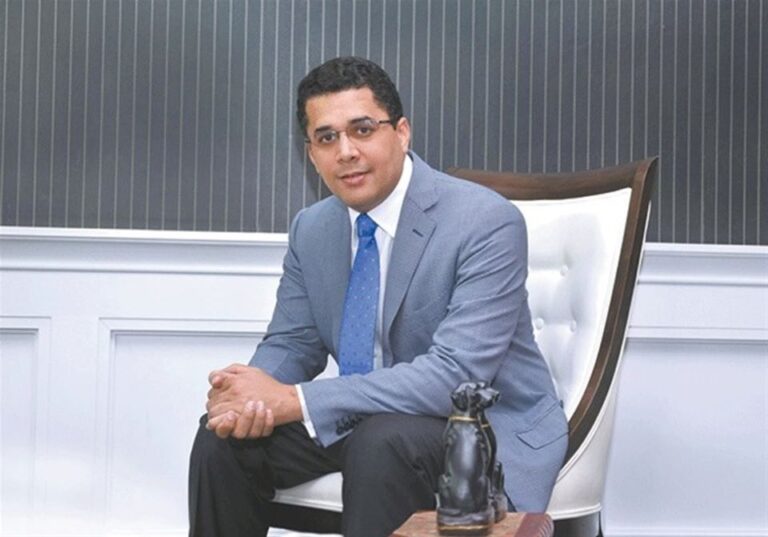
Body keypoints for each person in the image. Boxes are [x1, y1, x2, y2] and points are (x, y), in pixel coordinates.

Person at [188, 56, 567, 537]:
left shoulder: (485, 222)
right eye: (327, 137)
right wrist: (251, 397)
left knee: (381, 442)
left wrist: (296, 400)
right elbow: (293, 342)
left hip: (477, 424)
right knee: (221, 441)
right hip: (363, 417)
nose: (346, 151)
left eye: (362, 130)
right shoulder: (312, 228)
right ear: (311, 154)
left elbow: (456, 375)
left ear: (402, 133)